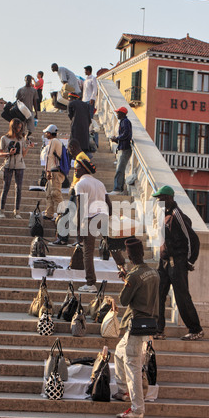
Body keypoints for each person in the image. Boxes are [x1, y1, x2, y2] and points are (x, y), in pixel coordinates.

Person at [113, 238, 160, 418]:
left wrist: (126, 281)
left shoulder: (134, 276)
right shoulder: (154, 273)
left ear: (130, 256)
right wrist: (128, 278)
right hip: (148, 323)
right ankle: (123, 390)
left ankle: (137, 409)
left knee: (132, 365)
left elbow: (124, 300)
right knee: (119, 352)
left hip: (136, 324)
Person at [152, 185, 204, 341]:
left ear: (168, 198)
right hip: (165, 262)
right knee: (158, 295)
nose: (158, 201)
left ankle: (196, 329)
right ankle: (158, 330)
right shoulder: (165, 215)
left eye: (160, 198)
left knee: (182, 297)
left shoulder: (176, 215)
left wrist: (188, 260)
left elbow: (193, 239)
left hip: (177, 262)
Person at [74, 158, 126, 293]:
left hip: (90, 219)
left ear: (84, 169)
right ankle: (125, 272)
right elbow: (109, 204)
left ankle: (90, 283)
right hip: (103, 216)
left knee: (88, 252)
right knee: (113, 246)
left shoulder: (80, 184)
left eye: (78, 167)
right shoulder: (100, 183)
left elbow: (81, 207)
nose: (75, 169)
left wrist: (79, 228)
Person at [50, 138, 90, 246]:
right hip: (79, 190)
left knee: (68, 215)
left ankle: (65, 238)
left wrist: (74, 187)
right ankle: (69, 238)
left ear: (72, 147)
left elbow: (80, 175)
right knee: (70, 215)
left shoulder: (80, 158)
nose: (70, 153)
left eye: (69, 150)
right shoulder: (82, 157)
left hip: (78, 190)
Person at [0, 118, 33, 219]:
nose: (19, 129)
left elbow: (23, 154)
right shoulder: (4, 138)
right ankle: (1, 211)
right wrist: (8, 153)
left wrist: (28, 148)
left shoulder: (21, 138)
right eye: (17, 127)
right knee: (6, 188)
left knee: (19, 189)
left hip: (20, 165)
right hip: (8, 165)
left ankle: (17, 211)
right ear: (12, 127)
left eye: (20, 128)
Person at [109, 107, 132, 195]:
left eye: (118, 113)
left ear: (122, 113)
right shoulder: (123, 121)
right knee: (120, 169)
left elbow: (126, 134)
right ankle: (119, 188)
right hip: (123, 148)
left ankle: (117, 189)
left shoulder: (125, 122)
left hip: (125, 149)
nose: (117, 114)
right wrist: (117, 140)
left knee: (120, 170)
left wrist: (117, 138)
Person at [43, 124, 65, 220]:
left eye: (47, 132)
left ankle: (63, 212)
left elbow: (49, 156)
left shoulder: (54, 141)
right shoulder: (57, 141)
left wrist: (47, 171)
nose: (46, 134)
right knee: (49, 193)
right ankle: (49, 213)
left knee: (55, 193)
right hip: (55, 170)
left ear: (50, 133)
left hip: (54, 171)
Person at [15, 75, 38, 140]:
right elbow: (17, 101)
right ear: (25, 80)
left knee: (31, 128)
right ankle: (22, 138)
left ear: (31, 80)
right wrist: (20, 99)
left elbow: (35, 102)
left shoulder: (34, 90)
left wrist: (36, 113)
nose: (28, 81)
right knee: (21, 127)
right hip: (22, 112)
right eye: (26, 80)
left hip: (30, 111)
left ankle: (27, 136)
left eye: (29, 80)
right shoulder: (20, 90)